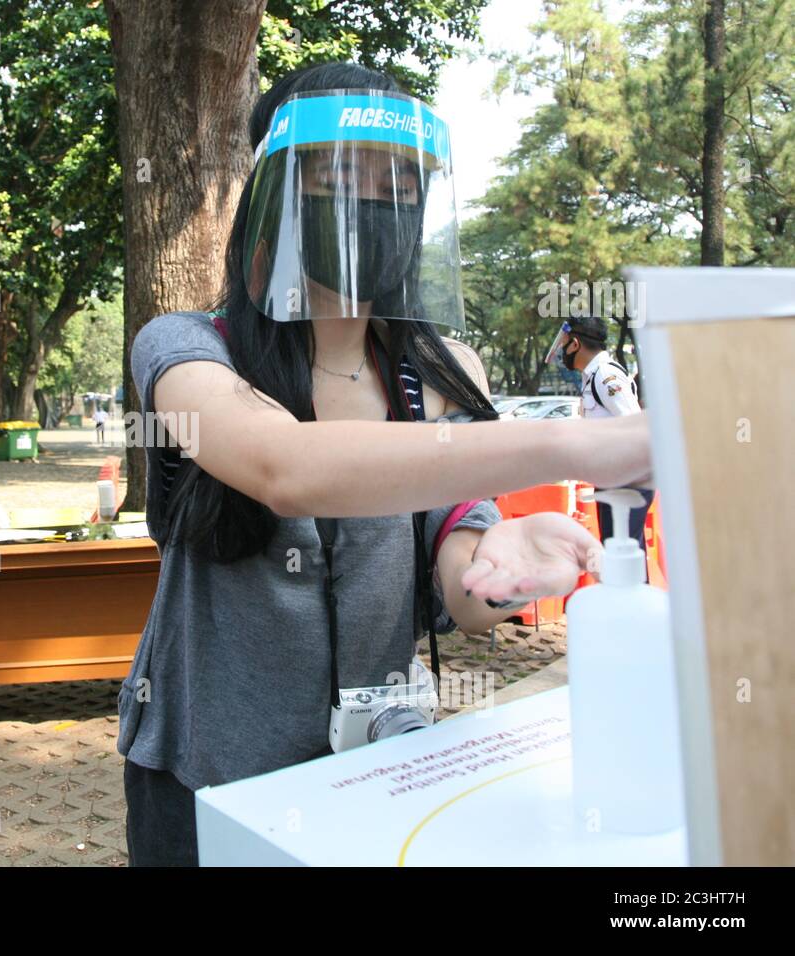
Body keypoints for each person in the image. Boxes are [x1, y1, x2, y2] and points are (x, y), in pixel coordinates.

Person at [119, 63, 652, 866]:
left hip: (378, 779)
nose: (371, 198)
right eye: (341, 171)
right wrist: (578, 443)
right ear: (276, 190)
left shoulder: (443, 373)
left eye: (399, 180)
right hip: (204, 780)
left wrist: (501, 565)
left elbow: (461, 584)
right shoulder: (189, 350)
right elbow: (282, 464)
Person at [544, 314, 654, 551]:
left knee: (621, 556)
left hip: (627, 482)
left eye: (565, 345)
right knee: (621, 556)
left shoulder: (605, 376)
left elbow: (635, 425)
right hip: (614, 480)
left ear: (575, 344)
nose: (563, 353)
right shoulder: (593, 376)